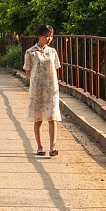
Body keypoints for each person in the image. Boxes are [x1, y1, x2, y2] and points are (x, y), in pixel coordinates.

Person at [23, 26, 62, 157]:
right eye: (46, 36)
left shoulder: (52, 52)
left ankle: (53, 147)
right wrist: (35, 82)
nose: (49, 39)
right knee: (38, 118)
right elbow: (28, 71)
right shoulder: (30, 53)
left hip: (51, 88)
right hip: (37, 89)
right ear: (39, 36)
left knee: (52, 117)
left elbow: (56, 68)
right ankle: (40, 147)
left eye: (51, 36)